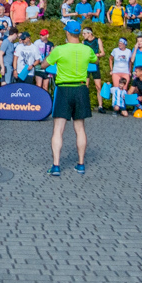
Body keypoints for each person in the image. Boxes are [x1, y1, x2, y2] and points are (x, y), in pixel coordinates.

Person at [43, 20, 92, 175]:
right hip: (80, 88)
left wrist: (52, 55)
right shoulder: (87, 49)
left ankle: (56, 165)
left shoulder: (59, 49)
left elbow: (44, 65)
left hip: (64, 89)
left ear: (67, 33)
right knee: (80, 128)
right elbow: (95, 60)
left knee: (58, 129)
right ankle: (81, 163)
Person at [81, 27, 106, 111]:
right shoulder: (83, 42)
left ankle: (100, 106)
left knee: (98, 86)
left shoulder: (97, 40)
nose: (83, 35)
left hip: (95, 64)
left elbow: (103, 53)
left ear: (89, 33)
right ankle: (85, 104)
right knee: (86, 85)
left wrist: (97, 55)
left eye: (84, 33)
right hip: (87, 65)